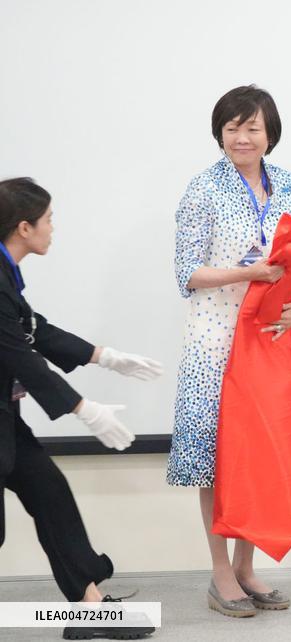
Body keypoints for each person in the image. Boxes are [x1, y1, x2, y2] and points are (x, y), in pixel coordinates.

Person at [168, 85, 291, 617]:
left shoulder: (290, 185)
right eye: (232, 127)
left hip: (270, 339)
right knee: (216, 459)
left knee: (259, 452)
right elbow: (187, 272)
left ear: (269, 134)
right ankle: (220, 574)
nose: (242, 137)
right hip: (215, 343)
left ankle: (247, 567)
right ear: (220, 134)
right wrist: (247, 273)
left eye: (252, 127)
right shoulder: (203, 188)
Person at [0, 177, 160, 639]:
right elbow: (18, 355)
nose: (53, 228)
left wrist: (105, 357)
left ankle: (89, 607)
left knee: (50, 494)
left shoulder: (6, 274)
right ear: (25, 227)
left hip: (5, 420)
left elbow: (34, 329)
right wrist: (82, 408)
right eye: (48, 219)